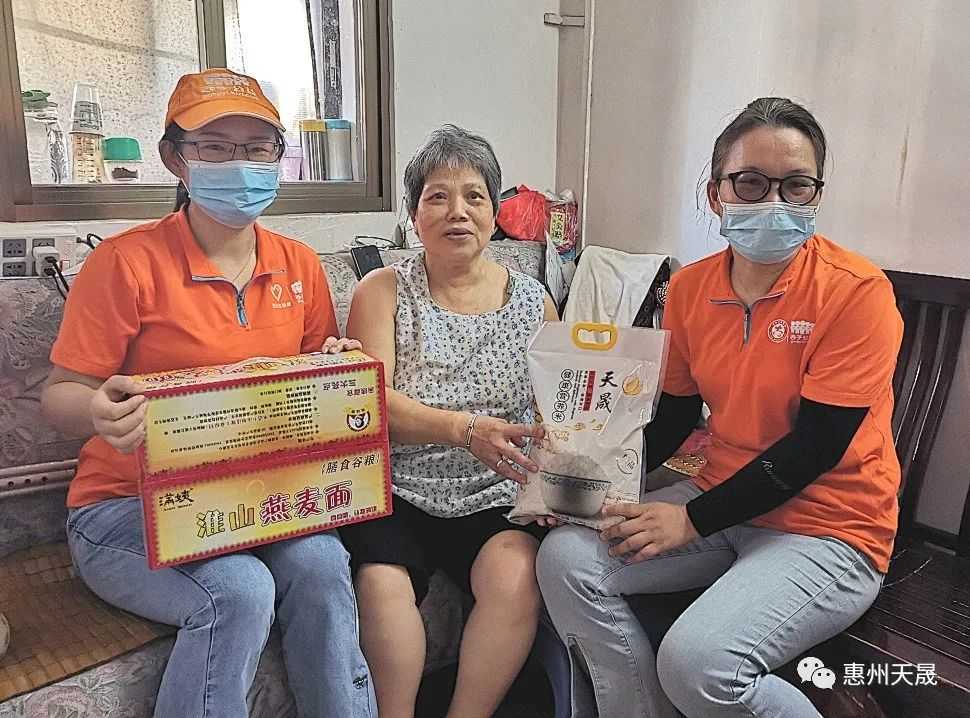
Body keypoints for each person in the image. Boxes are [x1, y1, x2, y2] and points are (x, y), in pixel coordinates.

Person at [536, 97, 904, 718]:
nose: (775, 202)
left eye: (796, 185)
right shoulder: (690, 288)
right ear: (716, 194)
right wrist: (584, 488)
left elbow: (815, 447)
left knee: (699, 664)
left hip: (830, 526)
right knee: (566, 558)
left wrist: (691, 520)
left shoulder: (856, 294)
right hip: (722, 499)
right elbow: (676, 416)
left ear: (817, 194)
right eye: (751, 183)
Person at [40, 69, 375, 718]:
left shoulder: (299, 265)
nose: (239, 163)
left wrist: (336, 371)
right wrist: (99, 411)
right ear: (176, 158)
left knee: (322, 564)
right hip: (126, 506)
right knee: (239, 589)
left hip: (258, 499)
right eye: (215, 147)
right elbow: (61, 397)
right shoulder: (125, 263)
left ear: (278, 158)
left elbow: (315, 389)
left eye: (256, 147)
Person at [341, 124, 559, 718]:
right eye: (437, 196)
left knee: (515, 576)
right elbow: (370, 404)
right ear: (414, 216)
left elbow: (555, 414)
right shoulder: (382, 290)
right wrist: (465, 429)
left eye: (474, 196)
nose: (456, 211)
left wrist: (551, 481)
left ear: (494, 213)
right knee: (381, 585)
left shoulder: (535, 301)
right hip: (400, 487)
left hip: (495, 491)